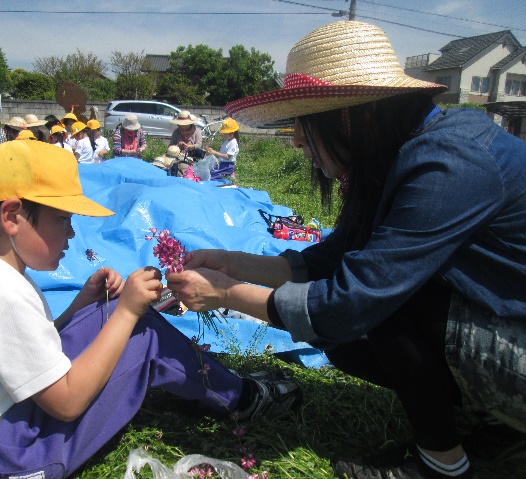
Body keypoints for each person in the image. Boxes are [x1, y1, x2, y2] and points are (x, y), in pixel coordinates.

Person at [165, 20, 526, 479]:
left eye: (304, 122)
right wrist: (232, 263)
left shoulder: (448, 164)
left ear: (351, 115)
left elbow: (355, 299)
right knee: (347, 334)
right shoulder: (404, 154)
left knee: (384, 305)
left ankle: (442, 465)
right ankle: (497, 425)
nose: (296, 138)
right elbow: (332, 259)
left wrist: (224, 293)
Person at [0, 140, 302, 478]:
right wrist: (127, 312)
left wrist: (83, 304)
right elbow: (67, 404)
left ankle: (214, 383)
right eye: (63, 219)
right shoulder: (2, 294)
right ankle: (242, 398)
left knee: (106, 316)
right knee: (142, 336)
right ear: (11, 217)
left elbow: (26, 350)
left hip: (5, 428)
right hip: (8, 456)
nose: (72, 233)